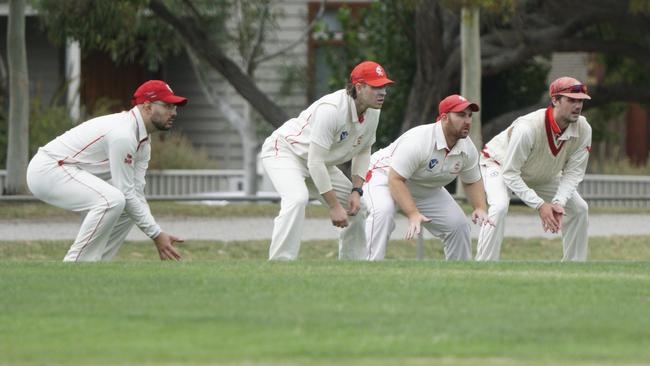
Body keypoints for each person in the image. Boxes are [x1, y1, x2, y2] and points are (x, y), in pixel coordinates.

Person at [26, 80, 187, 262]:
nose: (174, 112)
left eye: (174, 107)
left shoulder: (143, 143)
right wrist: (156, 234)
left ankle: (98, 265)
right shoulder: (124, 135)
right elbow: (126, 192)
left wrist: (157, 232)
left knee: (129, 206)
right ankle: (75, 266)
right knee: (113, 200)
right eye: (167, 106)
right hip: (48, 170)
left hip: (65, 169)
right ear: (147, 107)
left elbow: (136, 193)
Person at [260, 60, 393, 260]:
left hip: (319, 163)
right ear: (359, 87)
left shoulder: (374, 111)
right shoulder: (331, 109)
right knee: (297, 199)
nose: (382, 92)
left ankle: (352, 265)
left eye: (384, 86)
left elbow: (364, 150)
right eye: (376, 87)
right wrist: (334, 206)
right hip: (286, 152)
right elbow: (315, 162)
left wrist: (356, 190)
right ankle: (281, 263)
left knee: (359, 207)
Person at [475, 76, 592, 261]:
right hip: (498, 163)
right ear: (555, 100)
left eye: (580, 101)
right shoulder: (528, 128)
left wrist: (558, 202)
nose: (577, 106)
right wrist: (540, 205)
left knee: (579, 209)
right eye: (571, 100)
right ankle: (484, 265)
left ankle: (574, 267)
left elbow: (574, 172)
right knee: (500, 207)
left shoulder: (584, 128)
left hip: (541, 173)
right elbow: (511, 173)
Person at [363, 94, 491, 261]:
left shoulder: (467, 148)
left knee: (458, 226)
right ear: (444, 118)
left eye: (469, 115)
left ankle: (458, 276)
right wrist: (413, 213)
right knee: (383, 212)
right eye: (460, 115)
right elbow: (395, 180)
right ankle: (369, 267)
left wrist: (480, 207)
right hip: (384, 177)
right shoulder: (419, 140)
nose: (467, 121)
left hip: (423, 187)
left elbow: (472, 180)